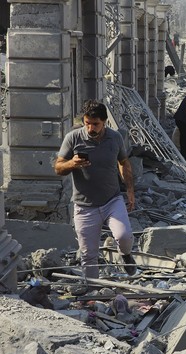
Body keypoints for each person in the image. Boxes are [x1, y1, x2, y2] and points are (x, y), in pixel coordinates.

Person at [55, 100, 136, 279]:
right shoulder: (73, 138)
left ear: (105, 121)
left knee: (124, 236)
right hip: (84, 206)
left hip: (112, 200)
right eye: (87, 123)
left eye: (95, 124)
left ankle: (125, 255)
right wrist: (72, 163)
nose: (91, 128)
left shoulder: (115, 138)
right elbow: (58, 168)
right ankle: (93, 292)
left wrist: (130, 190)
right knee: (88, 254)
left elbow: (124, 163)